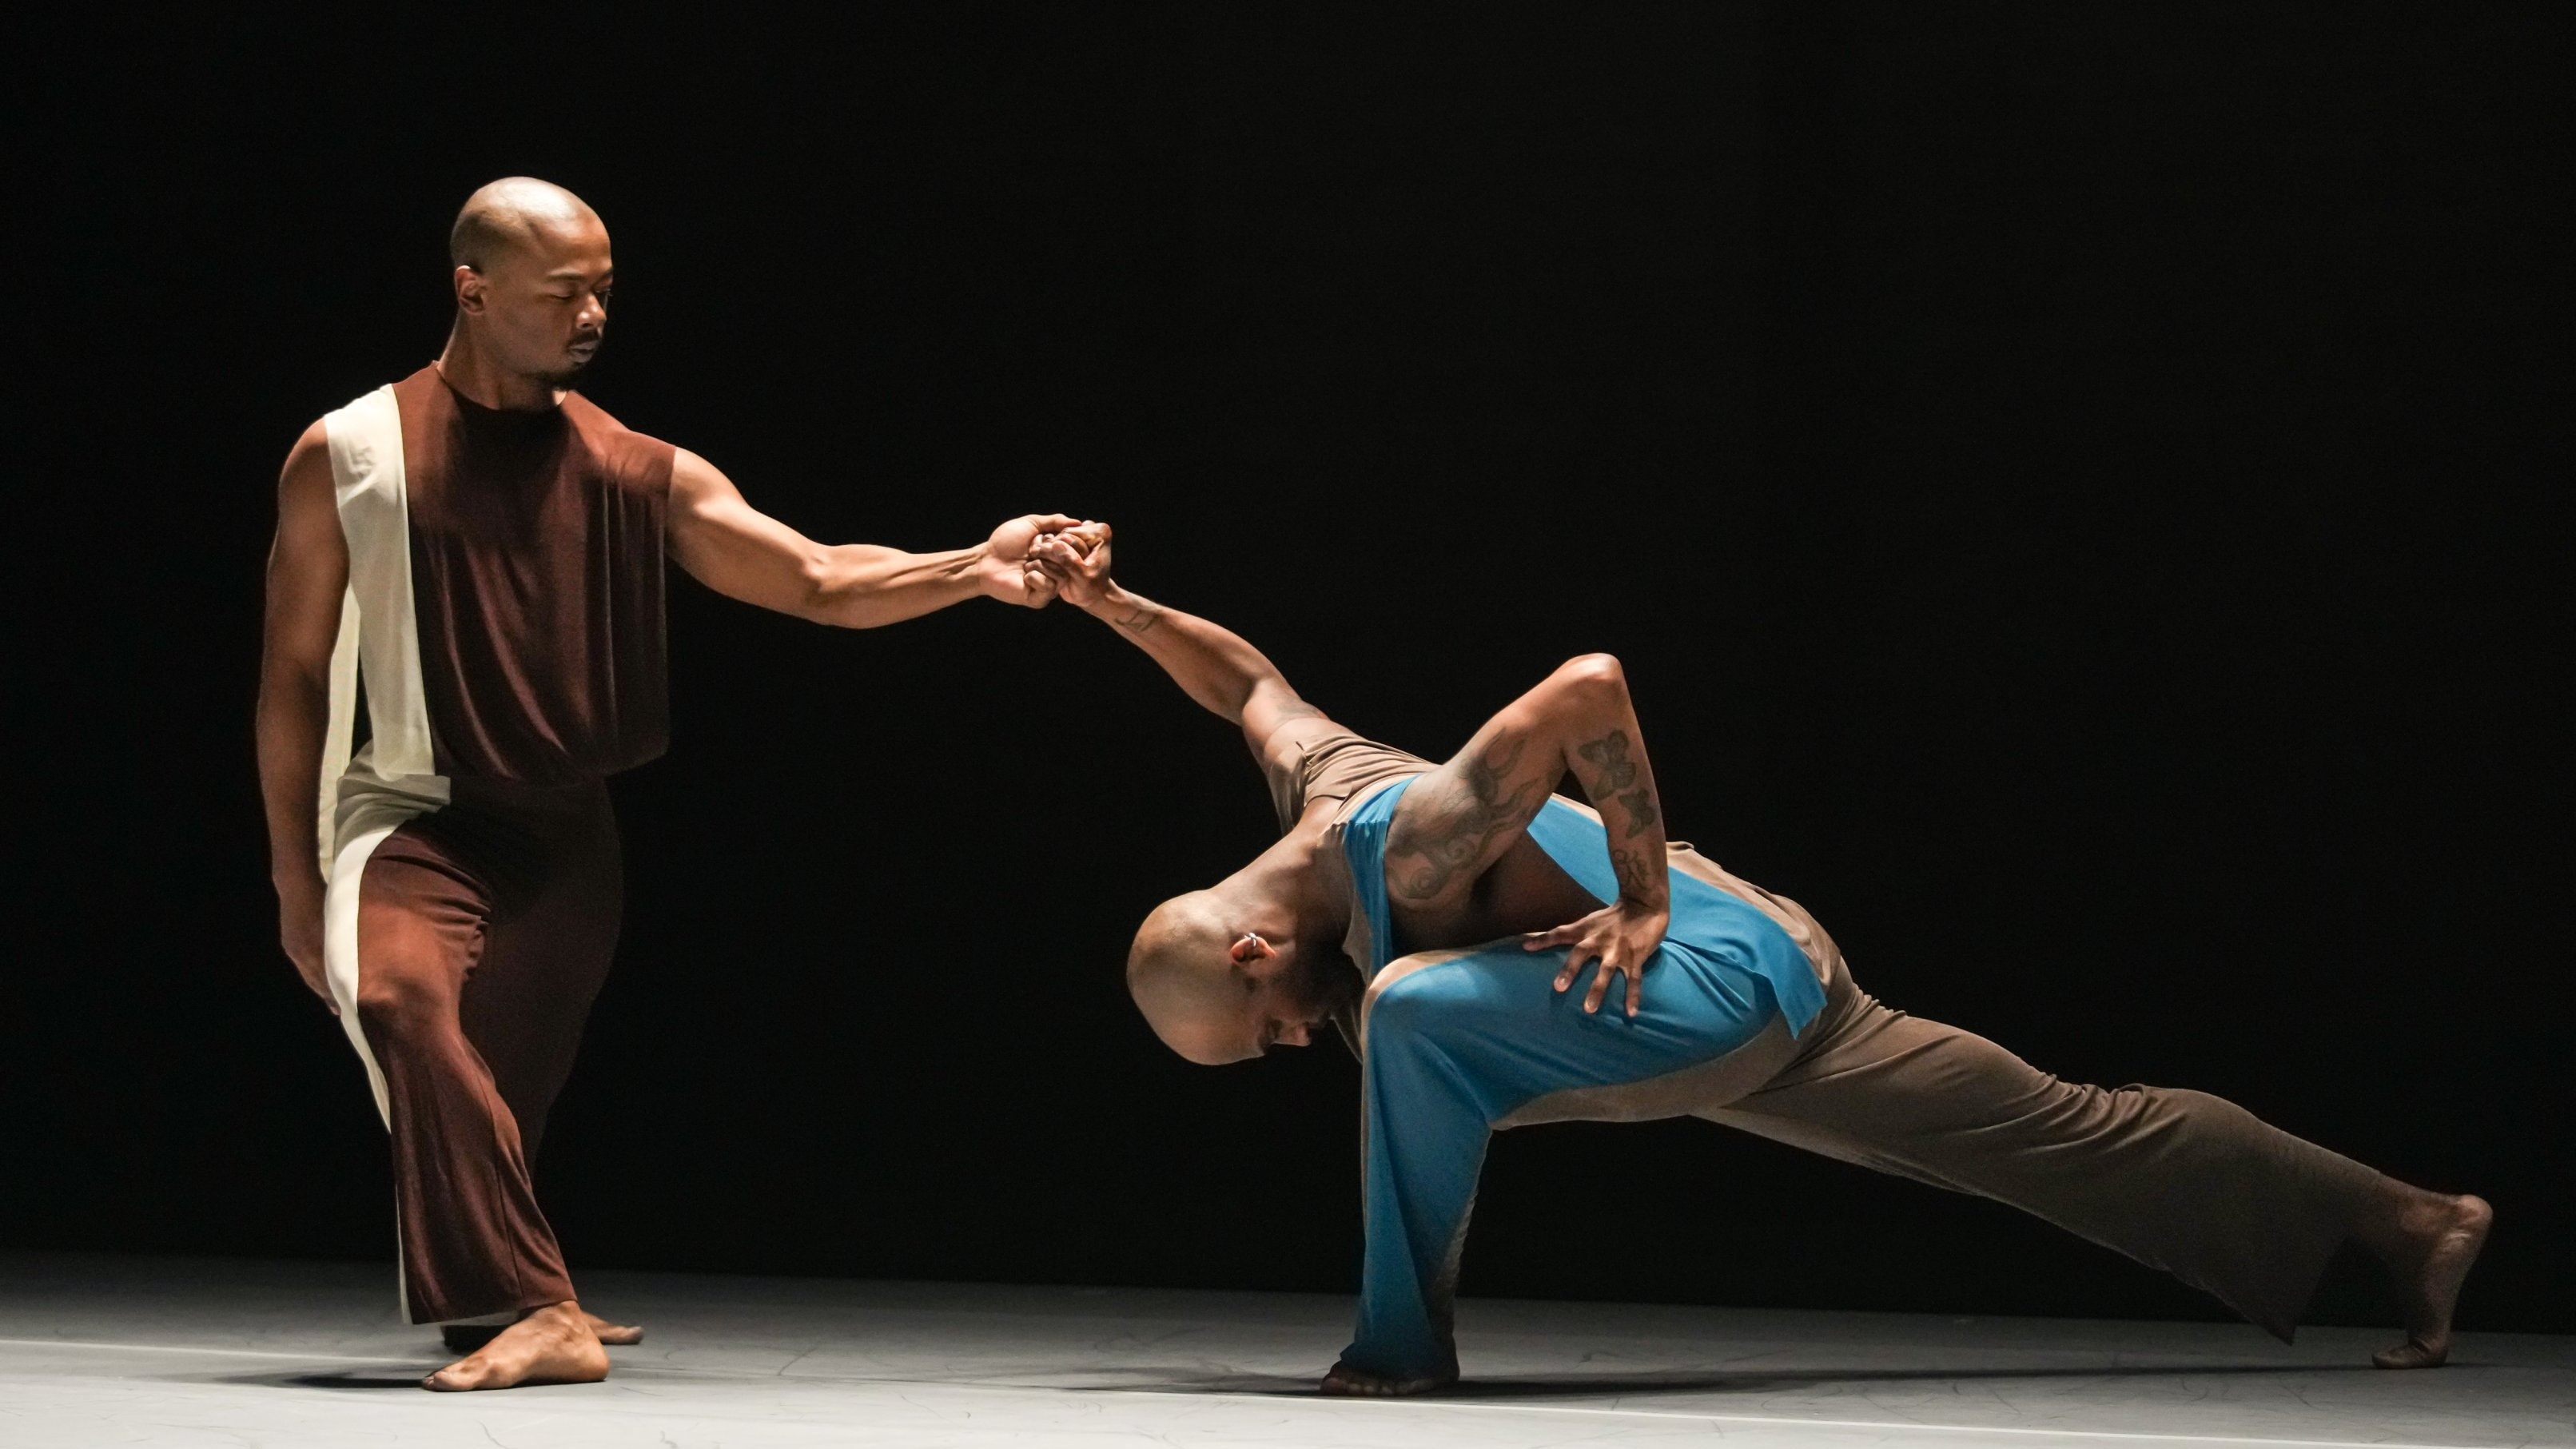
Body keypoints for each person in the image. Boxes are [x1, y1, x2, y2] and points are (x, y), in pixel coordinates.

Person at [1029, 525, 2492, 1396]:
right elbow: (1247, 686)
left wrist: (1645, 895)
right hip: (1755, 974)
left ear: (1257, 941)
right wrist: (1111, 606)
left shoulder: (1400, 845)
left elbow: (1587, 687)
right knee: (2067, 1126)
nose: (1287, 1042)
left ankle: (1400, 1347)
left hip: (1702, 985)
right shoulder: (1313, 778)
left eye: (1264, 1024)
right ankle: (2414, 1220)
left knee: (1403, 1016)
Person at [256, 177, 1091, 1391]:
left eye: (604, 289)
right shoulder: (350, 455)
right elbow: (290, 678)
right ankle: (539, 1306)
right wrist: (293, 872)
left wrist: (976, 566)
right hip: (416, 813)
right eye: (563, 293)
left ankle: (496, 1301)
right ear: (472, 290)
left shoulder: (631, 468)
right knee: (399, 1001)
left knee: (505, 1100)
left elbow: (817, 577)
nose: (593, 314)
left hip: (567, 835)